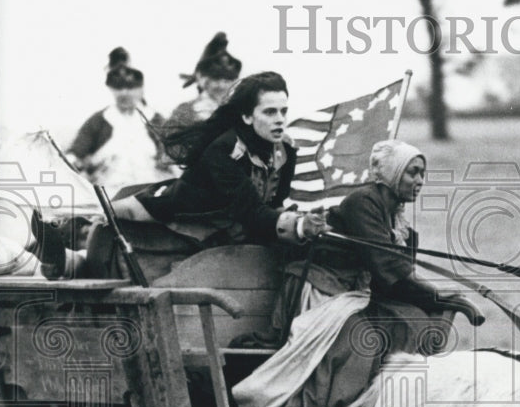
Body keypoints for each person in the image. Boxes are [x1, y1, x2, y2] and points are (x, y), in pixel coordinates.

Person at [232, 140, 485, 407]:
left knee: (411, 323)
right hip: (322, 293)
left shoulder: (398, 223)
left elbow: (395, 278)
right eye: (412, 172)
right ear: (392, 172)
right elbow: (389, 268)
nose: (420, 181)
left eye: (422, 174)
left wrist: (441, 302)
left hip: (355, 297)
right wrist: (448, 298)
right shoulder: (362, 202)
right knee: (360, 340)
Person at [29, 71, 322, 277]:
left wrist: (300, 222)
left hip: (229, 220)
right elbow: (252, 211)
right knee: (117, 212)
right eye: (270, 112)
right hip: (185, 209)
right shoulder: (225, 150)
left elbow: (275, 201)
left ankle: (63, 255)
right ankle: (54, 231)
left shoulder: (285, 150)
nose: (281, 120)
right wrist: (295, 226)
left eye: (284, 111)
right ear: (247, 116)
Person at [68, 47, 168, 190]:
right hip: (111, 191)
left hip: (150, 190)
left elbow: (173, 154)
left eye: (130, 87)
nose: (124, 93)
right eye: (119, 87)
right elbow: (75, 153)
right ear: (111, 88)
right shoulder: (100, 120)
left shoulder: (154, 119)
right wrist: (78, 163)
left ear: (140, 89)